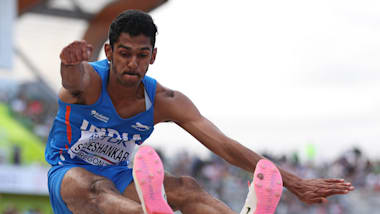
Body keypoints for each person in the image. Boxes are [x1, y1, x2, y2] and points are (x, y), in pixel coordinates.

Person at [45, 9, 354, 214]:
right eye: (124, 54)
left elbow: (224, 146)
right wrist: (68, 64)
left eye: (141, 55)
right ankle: (150, 212)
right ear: (109, 52)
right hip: (68, 172)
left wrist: (296, 183)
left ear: (152, 56)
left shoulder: (164, 99)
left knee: (185, 187)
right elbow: (72, 79)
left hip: (120, 174)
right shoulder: (89, 81)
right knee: (97, 188)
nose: (132, 64)